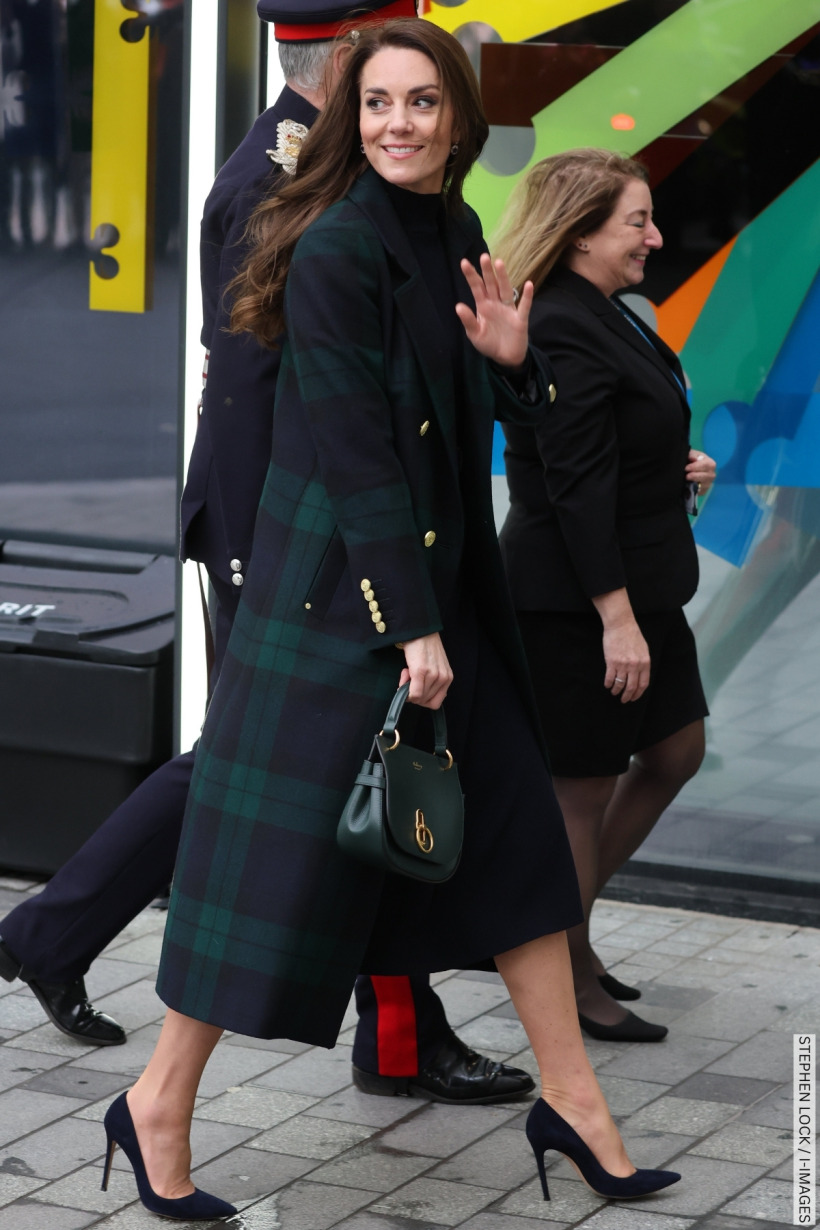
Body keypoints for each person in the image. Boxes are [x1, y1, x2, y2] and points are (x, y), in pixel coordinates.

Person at [100, 23, 681, 1221]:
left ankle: (576, 1109)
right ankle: (157, 1101)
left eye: (422, 103)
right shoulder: (331, 247)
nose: (399, 125)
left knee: (521, 851)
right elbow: (358, 450)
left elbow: (452, 405)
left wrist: (511, 366)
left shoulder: (455, 232)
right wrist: (409, 626)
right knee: (269, 879)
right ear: (351, 119)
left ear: (459, 118)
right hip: (346, 613)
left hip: (441, 607)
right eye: (377, 106)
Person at [0, 0, 532, 1108]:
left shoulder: (334, 172)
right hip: (278, 537)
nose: (402, 105)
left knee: (319, 764)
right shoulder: (270, 182)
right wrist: (256, 556)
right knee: (258, 768)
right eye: (381, 78)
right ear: (342, 61)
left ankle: (392, 1028)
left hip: (340, 538)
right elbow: (250, 388)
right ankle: (57, 939)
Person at [496, 149, 717, 1043]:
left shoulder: (603, 313)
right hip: (578, 602)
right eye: (638, 222)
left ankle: (562, 932)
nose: (655, 237)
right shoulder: (556, 324)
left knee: (675, 751)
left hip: (641, 587)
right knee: (579, 792)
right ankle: (563, 970)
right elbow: (572, 487)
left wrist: (675, 464)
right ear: (582, 231)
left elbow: (621, 439)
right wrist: (614, 620)